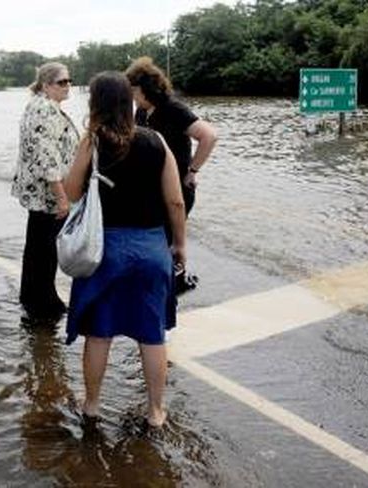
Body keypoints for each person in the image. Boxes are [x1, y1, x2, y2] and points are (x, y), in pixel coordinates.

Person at [61, 72, 187, 429]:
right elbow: (175, 202)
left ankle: (92, 404)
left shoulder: (92, 143)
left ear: (95, 103)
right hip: (150, 247)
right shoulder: (157, 141)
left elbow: (71, 193)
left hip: (105, 250)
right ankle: (156, 411)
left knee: (100, 331)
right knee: (152, 333)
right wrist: (179, 245)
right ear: (129, 101)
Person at [11, 62, 78, 324]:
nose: (68, 86)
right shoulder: (44, 109)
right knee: (45, 250)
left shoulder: (44, 106)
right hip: (46, 194)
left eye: (70, 81)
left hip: (41, 192)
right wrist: (62, 196)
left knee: (38, 247)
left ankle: (37, 298)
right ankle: (41, 304)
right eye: (62, 82)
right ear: (46, 85)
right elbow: (46, 158)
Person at [125, 56, 217, 217]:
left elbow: (209, 136)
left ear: (146, 88)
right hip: (154, 189)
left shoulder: (173, 109)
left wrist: (192, 171)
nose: (131, 96)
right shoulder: (141, 111)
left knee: (173, 239)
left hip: (177, 187)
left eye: (133, 90)